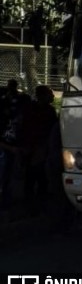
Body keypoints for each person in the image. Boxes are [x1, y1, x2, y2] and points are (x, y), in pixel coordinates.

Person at [20, 85, 58, 215]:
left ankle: (32, 205)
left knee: (33, 179)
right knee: (38, 178)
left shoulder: (31, 110)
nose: (52, 97)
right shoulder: (46, 111)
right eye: (50, 94)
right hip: (38, 148)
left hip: (35, 148)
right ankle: (36, 206)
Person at [0, 79, 30, 211]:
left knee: (11, 173)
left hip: (14, 144)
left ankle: (8, 198)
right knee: (5, 172)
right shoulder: (4, 106)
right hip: (7, 145)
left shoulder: (20, 105)